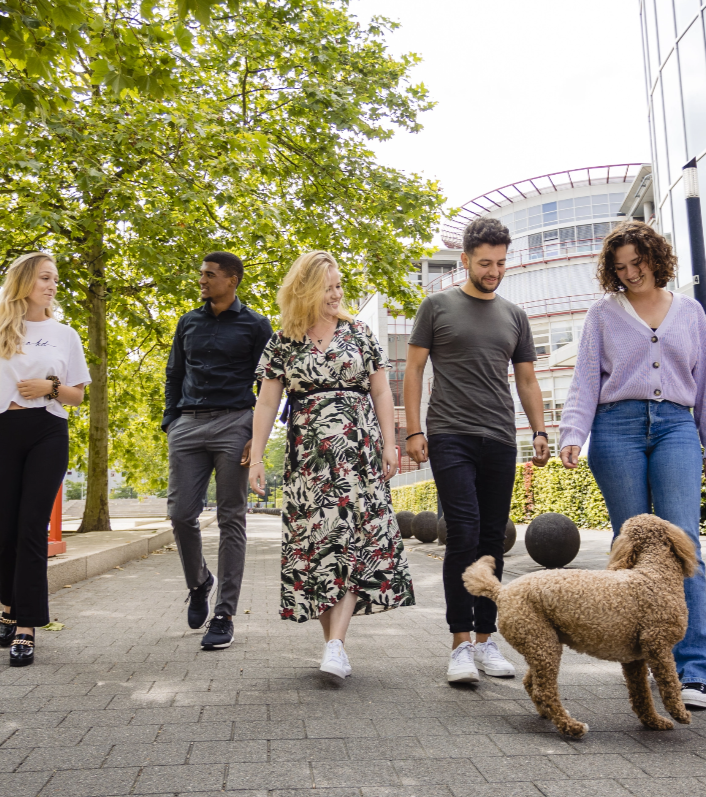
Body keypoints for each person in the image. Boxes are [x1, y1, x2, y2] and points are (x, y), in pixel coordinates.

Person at [560, 221, 706, 710]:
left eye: (637, 265)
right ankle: (643, 659)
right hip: (615, 428)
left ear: (655, 259)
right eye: (619, 268)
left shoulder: (689, 311)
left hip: (675, 426)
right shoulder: (602, 314)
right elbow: (583, 379)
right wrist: (572, 434)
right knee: (635, 550)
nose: (629, 274)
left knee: (684, 542)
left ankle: (694, 670)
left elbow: (702, 383)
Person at [249, 250, 414, 679]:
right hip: (308, 460)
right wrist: (255, 456)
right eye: (328, 286)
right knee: (319, 548)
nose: (337, 292)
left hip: (357, 455)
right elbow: (267, 400)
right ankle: (333, 646)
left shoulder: (359, 333)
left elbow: (381, 392)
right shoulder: (284, 339)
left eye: (339, 285)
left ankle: (336, 645)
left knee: (352, 542)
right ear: (304, 290)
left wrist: (390, 444)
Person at [404, 217, 550, 685]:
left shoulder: (514, 315)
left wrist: (540, 430)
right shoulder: (437, 306)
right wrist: (413, 431)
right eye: (485, 263)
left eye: (501, 263)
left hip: (500, 438)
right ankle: (460, 646)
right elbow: (413, 372)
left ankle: (487, 642)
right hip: (450, 434)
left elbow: (526, 379)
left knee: (492, 538)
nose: (494, 271)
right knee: (463, 533)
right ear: (465, 259)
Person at [164, 251, 272, 650]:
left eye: (210, 275)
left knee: (231, 518)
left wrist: (255, 437)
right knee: (180, 514)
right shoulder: (188, 322)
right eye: (202, 274)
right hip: (188, 424)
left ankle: (224, 613)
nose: (202, 281)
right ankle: (199, 582)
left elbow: (269, 385)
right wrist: (170, 423)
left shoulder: (256, 325)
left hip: (234, 423)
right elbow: (174, 373)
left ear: (233, 279)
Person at [0, 252, 90, 667]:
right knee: (5, 529)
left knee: (31, 528)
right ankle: (7, 606)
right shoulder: (2, 327)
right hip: (4, 430)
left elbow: (77, 395)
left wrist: (49, 387)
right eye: (44, 278)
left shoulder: (64, 334)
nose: (52, 285)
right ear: (23, 282)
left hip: (46, 432)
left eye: (55, 279)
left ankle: (26, 627)